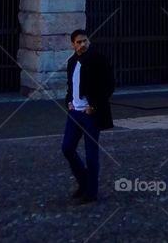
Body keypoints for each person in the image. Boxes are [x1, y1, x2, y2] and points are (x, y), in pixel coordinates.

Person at [62, 29, 115, 204]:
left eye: (85, 41)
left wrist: (94, 106)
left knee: (91, 155)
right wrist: (68, 101)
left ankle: (91, 192)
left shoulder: (98, 60)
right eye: (79, 42)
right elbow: (71, 85)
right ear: (73, 44)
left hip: (90, 115)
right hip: (75, 113)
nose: (83, 44)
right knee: (67, 148)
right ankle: (84, 182)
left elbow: (108, 85)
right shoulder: (71, 62)